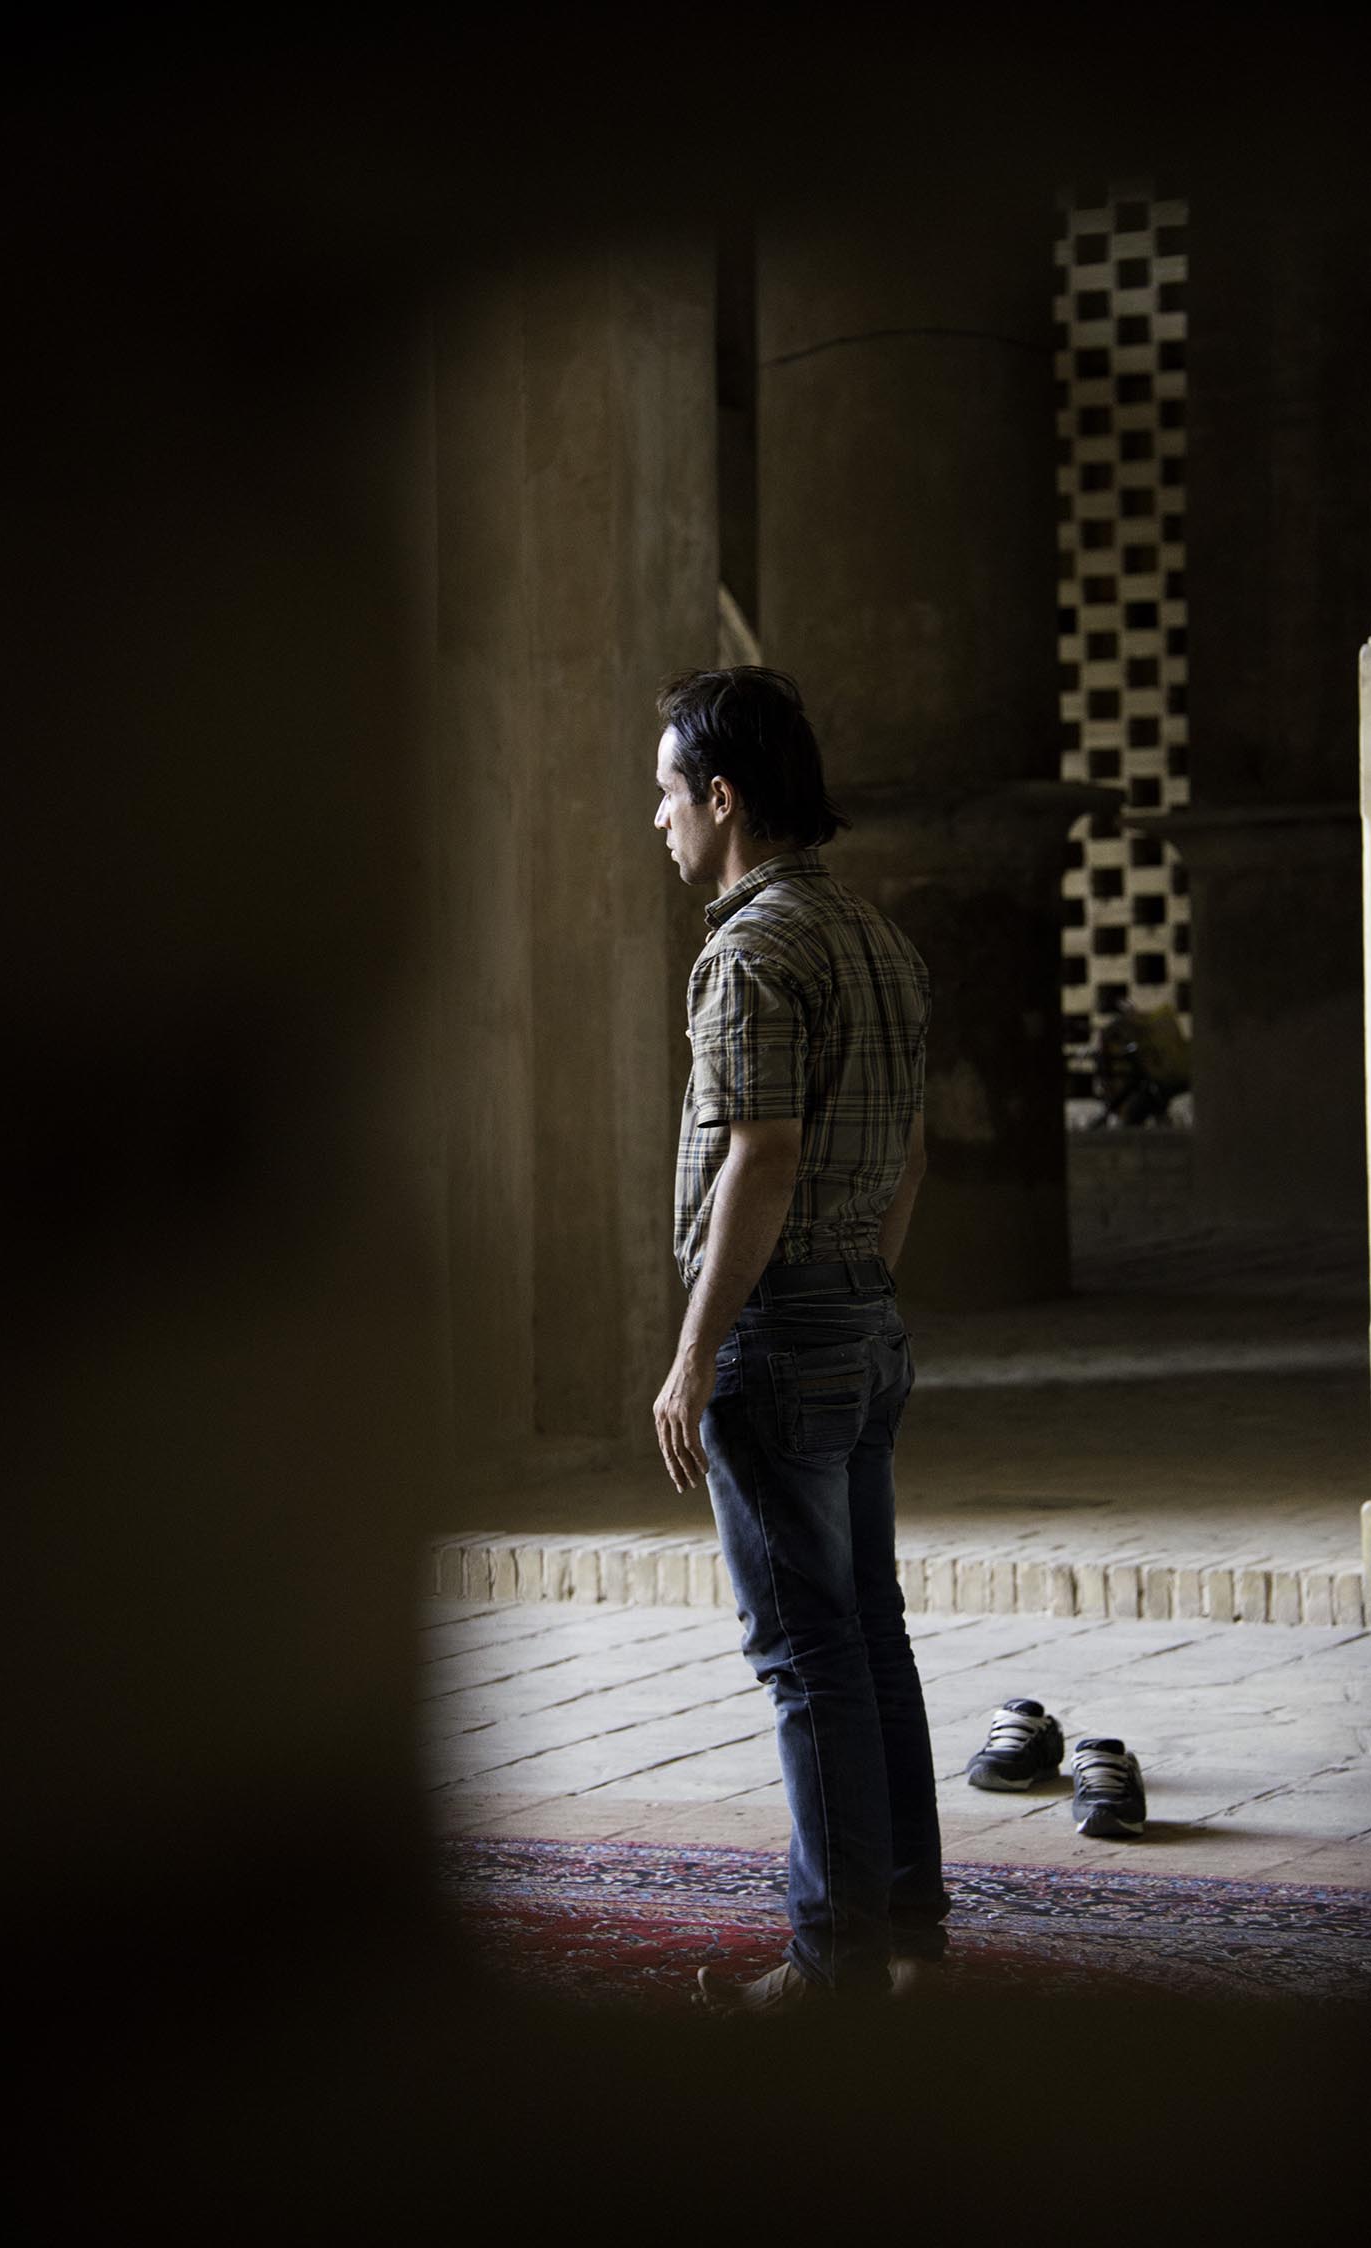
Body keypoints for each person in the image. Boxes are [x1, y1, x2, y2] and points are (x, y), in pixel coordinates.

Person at [651, 666, 950, 2015]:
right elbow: (908, 1154)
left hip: (782, 1329)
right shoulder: (879, 942)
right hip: (861, 1321)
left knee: (805, 1655)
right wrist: (858, 1293)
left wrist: (699, 1348)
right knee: (869, 1633)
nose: (654, 822)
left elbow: (761, 1156)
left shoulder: (749, 952)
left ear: (724, 800)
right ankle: (906, 1929)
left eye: (665, 793)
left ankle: (831, 1972)